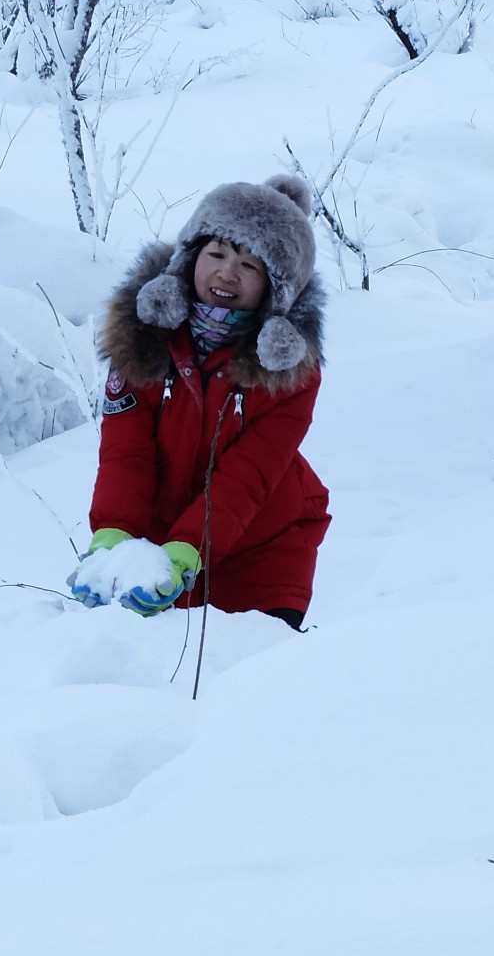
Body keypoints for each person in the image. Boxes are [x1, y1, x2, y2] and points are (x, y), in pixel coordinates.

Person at [71, 174, 330, 628]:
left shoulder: (290, 373)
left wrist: (191, 547)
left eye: (250, 266)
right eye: (217, 253)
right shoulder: (145, 339)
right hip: (159, 549)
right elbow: (126, 451)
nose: (228, 272)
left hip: (264, 550)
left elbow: (249, 474)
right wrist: (113, 536)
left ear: (276, 288)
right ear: (189, 257)